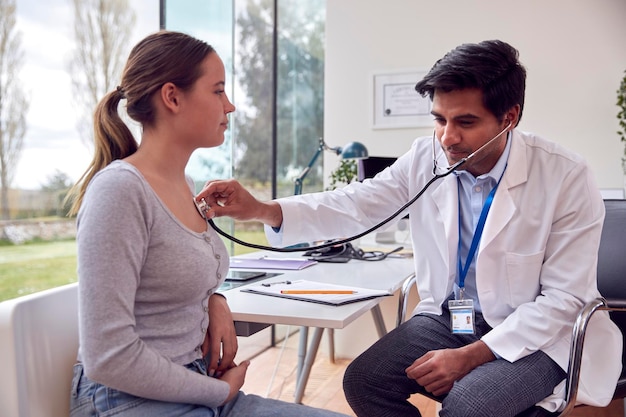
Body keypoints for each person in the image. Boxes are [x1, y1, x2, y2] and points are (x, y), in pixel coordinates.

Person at [195, 40, 623, 417]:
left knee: (471, 406)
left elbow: (564, 300)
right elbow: (357, 204)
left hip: (538, 334)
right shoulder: (428, 158)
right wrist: (262, 209)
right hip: (453, 318)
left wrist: (472, 357)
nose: (447, 138)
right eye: (439, 119)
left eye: (465, 123)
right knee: (364, 382)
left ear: (509, 117)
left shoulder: (565, 176)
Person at [65, 30, 349, 417]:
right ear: (172, 97)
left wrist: (214, 298)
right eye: (218, 91)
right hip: (128, 398)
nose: (229, 106)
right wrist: (217, 392)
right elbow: (108, 358)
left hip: (193, 386)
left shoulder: (184, 185)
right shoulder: (118, 191)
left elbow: (169, 275)